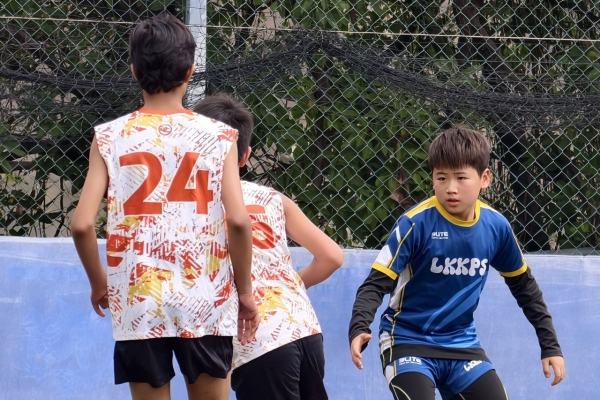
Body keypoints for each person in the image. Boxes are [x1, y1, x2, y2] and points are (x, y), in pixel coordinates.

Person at [70, 14, 259, 400]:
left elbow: (82, 224)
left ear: (134, 71)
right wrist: (244, 292)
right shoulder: (221, 137)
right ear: (190, 71)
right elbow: (239, 221)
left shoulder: (108, 137)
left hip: (139, 300)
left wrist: (99, 283)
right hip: (205, 299)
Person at [348, 126, 566, 400]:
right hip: (406, 340)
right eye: (441, 178)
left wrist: (550, 345)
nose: (451, 188)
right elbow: (375, 284)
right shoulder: (414, 223)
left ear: (484, 178)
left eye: (461, 177)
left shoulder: (496, 227)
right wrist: (359, 327)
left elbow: (525, 288)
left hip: (461, 344)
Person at [193, 93, 344, 400]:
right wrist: (283, 286)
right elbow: (332, 256)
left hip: (258, 342)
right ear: (245, 156)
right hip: (304, 328)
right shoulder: (273, 199)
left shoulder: (195, 205)